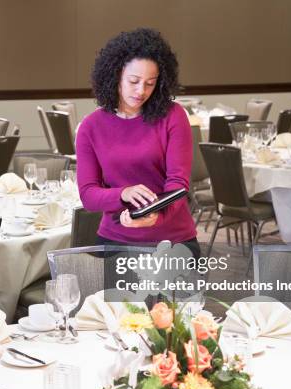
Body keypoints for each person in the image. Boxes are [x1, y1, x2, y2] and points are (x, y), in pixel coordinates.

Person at [76, 28, 199, 256]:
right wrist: (122, 194)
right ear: (115, 76)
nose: (141, 91)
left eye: (150, 83)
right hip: (116, 241)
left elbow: (178, 183)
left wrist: (157, 216)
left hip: (173, 241)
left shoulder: (173, 116)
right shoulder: (90, 127)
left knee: (176, 294)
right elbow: (88, 195)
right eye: (133, 81)